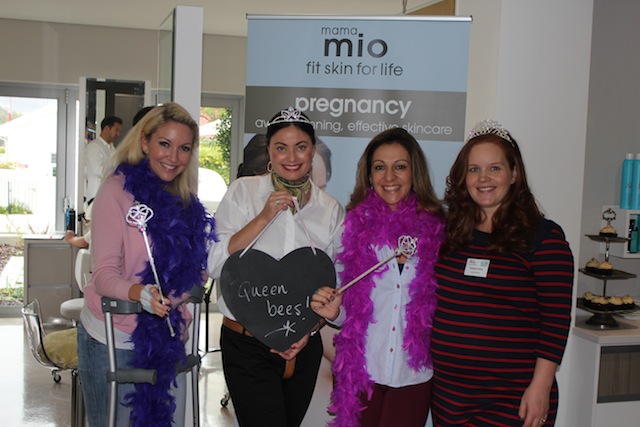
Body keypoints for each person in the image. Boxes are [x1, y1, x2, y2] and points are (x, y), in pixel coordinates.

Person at [77, 102, 216, 427]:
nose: (173, 157)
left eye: (184, 148)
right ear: (144, 142)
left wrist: (172, 296)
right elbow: (103, 275)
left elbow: (195, 271)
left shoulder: (185, 201)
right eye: (164, 144)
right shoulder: (115, 191)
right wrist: (140, 292)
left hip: (167, 339)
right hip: (112, 337)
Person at [430, 120, 574, 427]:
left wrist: (541, 387)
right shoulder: (450, 235)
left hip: (512, 399)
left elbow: (556, 320)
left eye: (494, 168)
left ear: (514, 174)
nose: (483, 178)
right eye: (474, 169)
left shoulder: (543, 237)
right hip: (448, 398)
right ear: (463, 177)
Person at [207, 107, 345, 427]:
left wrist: (308, 331)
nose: (291, 157)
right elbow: (214, 264)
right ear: (269, 150)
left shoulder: (330, 210)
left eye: (301, 147)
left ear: (312, 150)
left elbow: (336, 285)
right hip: (246, 344)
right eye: (281, 147)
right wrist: (263, 218)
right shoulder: (243, 192)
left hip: (303, 344)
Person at [310, 128, 445, 427]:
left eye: (400, 166)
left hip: (413, 375)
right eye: (380, 167)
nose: (389, 177)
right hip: (362, 374)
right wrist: (335, 311)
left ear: (414, 173)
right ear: (369, 176)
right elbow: (347, 308)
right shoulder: (352, 230)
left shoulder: (438, 233)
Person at [85, 115, 122, 205]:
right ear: (106, 129)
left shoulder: (112, 148)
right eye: (116, 130)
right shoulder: (94, 146)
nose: (118, 134)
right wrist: (117, 170)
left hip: (108, 194)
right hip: (95, 195)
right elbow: (97, 170)